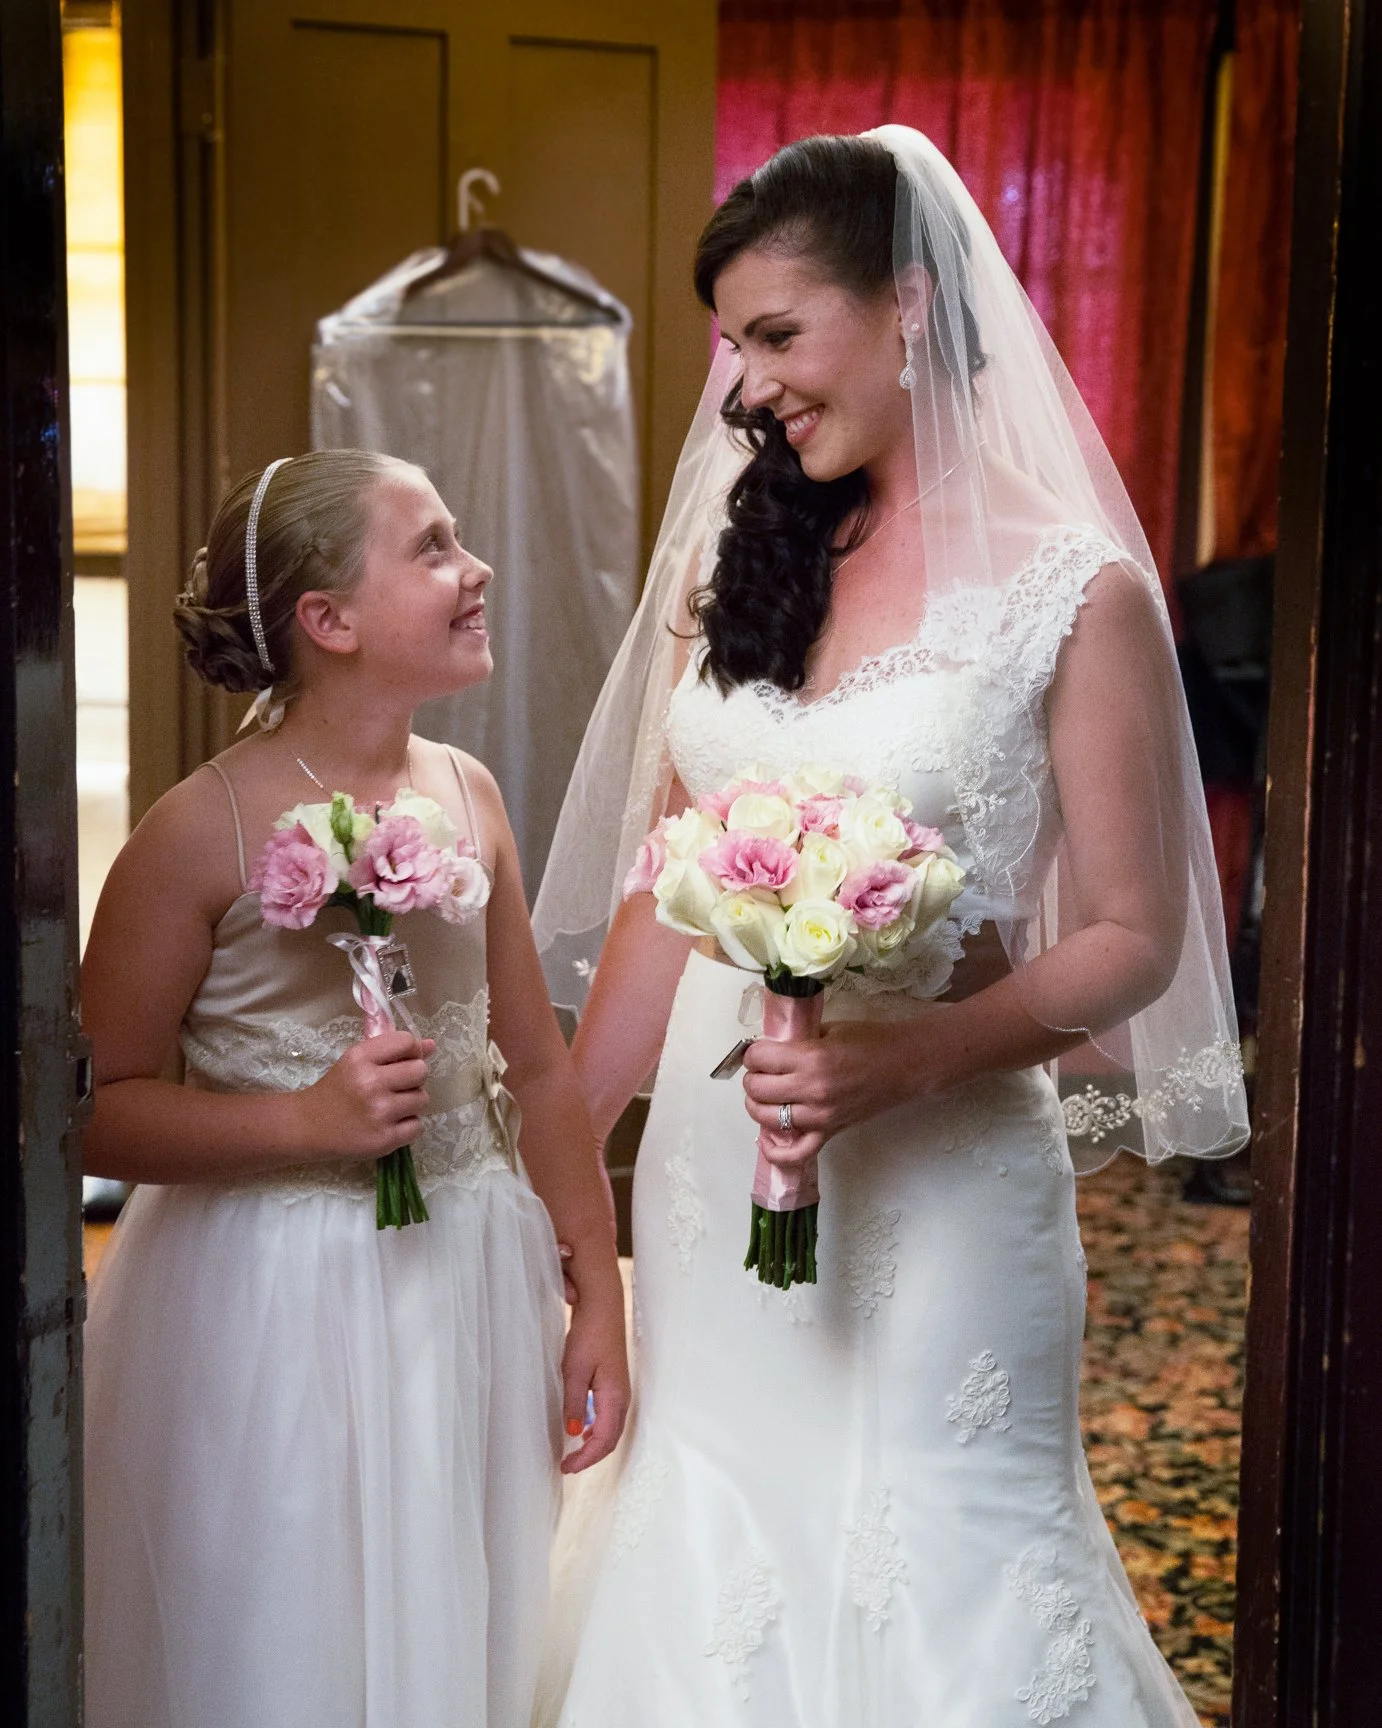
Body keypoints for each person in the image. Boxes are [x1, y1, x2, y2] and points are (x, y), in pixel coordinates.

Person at [532, 130, 1248, 1726]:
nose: (749, 386)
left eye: (778, 334)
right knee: (717, 1539)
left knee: (942, 1556)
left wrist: (905, 1058)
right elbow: (668, 885)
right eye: (734, 346)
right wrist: (560, 1176)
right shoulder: (745, 561)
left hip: (947, 1177)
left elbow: (1128, 934)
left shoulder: (1077, 594)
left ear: (911, 306)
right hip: (718, 1181)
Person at [81, 450, 629, 1728]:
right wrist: (303, 1122)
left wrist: (595, 1287)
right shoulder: (193, 831)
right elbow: (90, 1108)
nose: (474, 566)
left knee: (461, 1590)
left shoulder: (468, 793)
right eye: (434, 547)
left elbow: (534, 1066)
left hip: (468, 1268)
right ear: (327, 623)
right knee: (288, 1625)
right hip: (273, 1298)